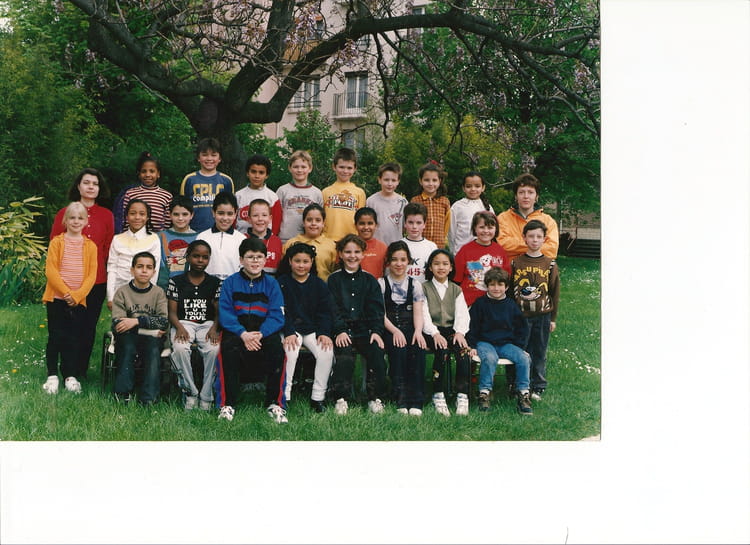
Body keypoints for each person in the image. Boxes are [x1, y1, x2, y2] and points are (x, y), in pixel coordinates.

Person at [215, 237, 288, 423]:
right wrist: (243, 334)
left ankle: (275, 403)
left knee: (278, 351)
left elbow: (277, 315)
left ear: (265, 260)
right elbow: (225, 313)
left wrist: (261, 334)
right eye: (250, 257)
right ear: (241, 260)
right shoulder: (230, 283)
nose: (255, 261)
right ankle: (227, 404)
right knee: (227, 350)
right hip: (237, 331)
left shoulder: (272, 284)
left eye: (259, 257)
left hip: (263, 331)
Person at [50, 168, 114, 378]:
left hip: (95, 281)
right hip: (65, 282)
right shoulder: (65, 212)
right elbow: (55, 245)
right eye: (86, 182)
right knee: (63, 327)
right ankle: (62, 370)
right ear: (78, 186)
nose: (90, 187)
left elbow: (107, 248)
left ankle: (80, 371)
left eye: (95, 184)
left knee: (86, 327)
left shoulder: (106, 215)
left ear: (99, 188)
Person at [326, 234, 387, 415]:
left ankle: (375, 398)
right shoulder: (333, 280)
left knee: (377, 353)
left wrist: (376, 331)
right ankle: (341, 398)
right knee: (344, 356)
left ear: (362, 254)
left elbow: (376, 309)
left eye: (357, 252)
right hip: (343, 331)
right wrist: (339, 330)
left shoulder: (370, 280)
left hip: (365, 331)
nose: (352, 256)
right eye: (348, 252)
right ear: (340, 254)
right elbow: (332, 309)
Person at [42, 202, 98, 395]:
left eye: (80, 218)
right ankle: (52, 375)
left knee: (74, 338)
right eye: (72, 218)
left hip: (78, 300)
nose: (76, 221)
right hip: (57, 298)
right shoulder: (57, 242)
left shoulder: (90, 246)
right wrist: (66, 292)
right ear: (65, 220)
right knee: (56, 336)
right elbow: (51, 270)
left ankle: (70, 375)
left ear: (86, 221)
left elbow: (91, 275)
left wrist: (77, 295)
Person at [276, 243, 335, 412]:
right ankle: (284, 396)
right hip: (290, 329)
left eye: (305, 261)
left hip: (312, 329)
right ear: (290, 261)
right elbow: (280, 310)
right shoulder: (281, 283)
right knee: (290, 351)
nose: (301, 265)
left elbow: (325, 311)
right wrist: (288, 332)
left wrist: (324, 333)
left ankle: (318, 397)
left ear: (312, 262)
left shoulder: (319, 284)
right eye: (297, 261)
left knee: (326, 352)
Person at [467, 267, 532, 415]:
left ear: (506, 287)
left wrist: (519, 347)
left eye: (500, 285)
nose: (496, 288)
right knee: (490, 358)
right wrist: (472, 345)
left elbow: (521, 328)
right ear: (487, 286)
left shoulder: (511, 305)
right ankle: (484, 393)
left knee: (523, 358)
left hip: (506, 344)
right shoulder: (480, 304)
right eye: (492, 284)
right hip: (485, 342)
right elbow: (472, 326)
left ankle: (523, 394)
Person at [167, 240, 221, 411]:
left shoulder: (215, 282)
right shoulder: (176, 281)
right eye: (196, 256)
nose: (200, 260)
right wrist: (179, 327)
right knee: (180, 348)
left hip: (207, 324)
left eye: (205, 257)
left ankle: (206, 395)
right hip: (183, 323)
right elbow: (172, 312)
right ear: (188, 257)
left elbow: (218, 311)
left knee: (214, 350)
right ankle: (190, 392)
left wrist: (215, 328)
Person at [511, 219, 560, 400]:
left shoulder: (550, 264)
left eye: (539, 236)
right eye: (531, 236)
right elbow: (510, 291)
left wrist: (552, 318)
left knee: (539, 350)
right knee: (519, 349)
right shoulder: (516, 262)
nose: (534, 240)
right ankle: (516, 384)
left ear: (544, 239)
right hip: (520, 315)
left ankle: (537, 385)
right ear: (524, 238)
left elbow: (554, 292)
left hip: (542, 315)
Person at [111, 251, 169, 405]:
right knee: (127, 347)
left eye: (149, 267)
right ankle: (122, 394)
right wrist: (148, 326)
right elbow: (118, 323)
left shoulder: (158, 293)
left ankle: (148, 397)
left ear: (154, 272)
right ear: (132, 270)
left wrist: (135, 322)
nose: (144, 271)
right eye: (140, 266)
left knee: (153, 350)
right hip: (129, 337)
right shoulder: (122, 292)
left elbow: (163, 321)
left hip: (151, 339)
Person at [379, 241, 428, 415]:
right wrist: (395, 331)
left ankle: (416, 399)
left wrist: (418, 332)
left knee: (418, 349)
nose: (398, 264)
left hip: (410, 327)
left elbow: (418, 312)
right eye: (394, 260)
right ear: (388, 262)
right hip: (390, 328)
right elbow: (380, 314)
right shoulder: (381, 283)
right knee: (398, 350)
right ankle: (400, 398)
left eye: (402, 260)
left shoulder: (415, 285)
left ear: (408, 261)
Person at [421, 249, 472, 416]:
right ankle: (438, 393)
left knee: (463, 351)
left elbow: (462, 314)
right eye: (436, 264)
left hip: (451, 330)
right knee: (441, 351)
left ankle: (462, 395)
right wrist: (434, 333)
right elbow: (423, 314)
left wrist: (460, 332)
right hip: (431, 331)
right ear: (430, 267)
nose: (441, 267)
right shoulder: (424, 288)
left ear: (451, 268)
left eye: (445, 264)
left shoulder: (456, 289)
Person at [106, 199, 161, 308]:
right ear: (126, 216)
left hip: (143, 293)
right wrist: (111, 297)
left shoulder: (153, 239)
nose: (137, 217)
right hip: (119, 291)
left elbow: (154, 269)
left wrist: (149, 294)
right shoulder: (117, 239)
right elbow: (112, 268)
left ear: (147, 217)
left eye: (142, 214)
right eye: (132, 213)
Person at [496, 173, 559, 263]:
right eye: (521, 192)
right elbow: (503, 245)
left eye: (530, 192)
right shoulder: (502, 218)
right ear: (516, 196)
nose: (526, 196)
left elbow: (551, 250)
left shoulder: (548, 221)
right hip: (510, 269)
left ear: (536, 197)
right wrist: (534, 246)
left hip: (539, 269)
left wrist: (516, 247)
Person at [453, 210, 511, 307]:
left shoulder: (500, 251)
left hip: (494, 303)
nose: (486, 231)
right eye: (482, 227)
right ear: (474, 228)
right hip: (469, 303)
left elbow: (506, 278)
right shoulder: (465, 251)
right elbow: (456, 280)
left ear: (496, 229)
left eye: (490, 227)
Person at [180, 137, 234, 232]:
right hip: (194, 231)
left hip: (219, 231)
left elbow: (232, 209)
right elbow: (182, 207)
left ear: (220, 158)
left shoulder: (226, 181)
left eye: (213, 155)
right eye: (204, 155)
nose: (209, 159)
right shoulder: (189, 179)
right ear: (198, 157)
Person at [196, 191, 247, 281]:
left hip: (233, 286)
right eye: (221, 213)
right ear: (213, 212)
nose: (225, 218)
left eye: (230, 214)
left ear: (236, 214)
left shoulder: (242, 239)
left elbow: (245, 268)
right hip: (207, 286)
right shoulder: (202, 237)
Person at [118, 151, 173, 233]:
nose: (147, 175)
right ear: (139, 174)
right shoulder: (130, 194)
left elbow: (167, 223)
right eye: (144, 171)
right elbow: (125, 220)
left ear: (158, 174)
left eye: (152, 171)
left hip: (157, 238)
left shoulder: (166, 196)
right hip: (134, 237)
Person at [276, 150, 323, 244]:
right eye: (296, 167)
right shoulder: (282, 190)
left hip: (309, 240)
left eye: (303, 167)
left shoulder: (316, 193)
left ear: (310, 168)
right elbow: (275, 216)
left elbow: (321, 218)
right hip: (286, 239)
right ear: (290, 168)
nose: (299, 170)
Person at [282, 203, 337, 282]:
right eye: (309, 220)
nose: (313, 223)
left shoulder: (331, 246)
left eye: (318, 220)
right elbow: (284, 268)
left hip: (324, 286)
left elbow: (335, 271)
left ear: (323, 223)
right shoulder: (291, 243)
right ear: (303, 222)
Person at [322, 147, 366, 242]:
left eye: (349, 168)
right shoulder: (325, 192)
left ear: (355, 169)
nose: (345, 171)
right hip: (328, 240)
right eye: (341, 167)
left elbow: (361, 220)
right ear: (334, 167)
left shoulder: (359, 192)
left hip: (351, 241)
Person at [155, 196, 198, 291]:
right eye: (176, 214)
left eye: (185, 214)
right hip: (164, 288)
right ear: (170, 215)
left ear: (191, 215)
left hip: (190, 289)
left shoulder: (199, 237)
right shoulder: (160, 237)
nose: (180, 218)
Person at [448, 171, 495, 254]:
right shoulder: (457, 207)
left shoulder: (487, 207)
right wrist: (453, 252)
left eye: (477, 186)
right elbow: (451, 233)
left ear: (483, 187)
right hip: (461, 252)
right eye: (469, 186)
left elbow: (493, 230)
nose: (473, 189)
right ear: (463, 188)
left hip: (483, 253)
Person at [236, 154, 281, 236]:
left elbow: (276, 225)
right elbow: (233, 221)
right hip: (241, 239)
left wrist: (270, 240)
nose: (257, 176)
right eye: (253, 172)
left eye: (261, 172)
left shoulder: (272, 197)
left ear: (267, 175)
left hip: (264, 240)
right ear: (247, 173)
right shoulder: (238, 196)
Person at [365, 162, 408, 245]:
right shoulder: (371, 201)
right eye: (386, 180)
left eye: (393, 180)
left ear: (398, 181)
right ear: (379, 180)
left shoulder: (403, 202)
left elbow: (405, 227)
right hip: (376, 246)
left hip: (396, 247)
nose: (390, 184)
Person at [410, 161, 451, 247]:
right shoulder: (415, 200)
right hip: (419, 244)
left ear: (439, 181)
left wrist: (442, 238)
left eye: (434, 180)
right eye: (427, 180)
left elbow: (447, 224)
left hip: (438, 245)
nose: (430, 183)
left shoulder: (444, 201)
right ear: (420, 181)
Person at [401, 202, 437, 284]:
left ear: (424, 224)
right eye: (410, 222)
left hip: (425, 290)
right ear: (405, 223)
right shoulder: (398, 245)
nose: (414, 227)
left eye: (418, 223)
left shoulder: (432, 247)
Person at [246, 199, 282, 275]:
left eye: (264, 215)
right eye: (255, 215)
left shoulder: (277, 241)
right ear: (249, 219)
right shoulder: (242, 239)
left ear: (270, 218)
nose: (260, 219)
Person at [355, 207, 387, 278]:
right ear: (355, 225)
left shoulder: (383, 248)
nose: (366, 227)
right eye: (362, 223)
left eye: (370, 223)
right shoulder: (348, 247)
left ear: (376, 225)